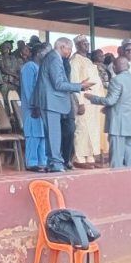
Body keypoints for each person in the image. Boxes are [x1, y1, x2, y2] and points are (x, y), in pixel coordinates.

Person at [36, 37, 94, 173]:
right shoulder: (54, 59)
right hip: (51, 102)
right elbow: (58, 84)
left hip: (52, 102)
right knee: (54, 135)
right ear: (62, 47)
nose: (70, 52)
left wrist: (79, 86)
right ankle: (56, 164)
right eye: (69, 49)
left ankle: (53, 163)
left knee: (52, 135)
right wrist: (79, 86)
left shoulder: (53, 58)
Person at [86, 56, 131, 168]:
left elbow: (110, 101)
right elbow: (127, 101)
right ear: (128, 66)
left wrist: (92, 98)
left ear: (115, 67)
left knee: (117, 159)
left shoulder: (116, 80)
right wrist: (108, 109)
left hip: (119, 125)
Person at [69, 35, 106, 168]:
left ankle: (90, 157)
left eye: (87, 43)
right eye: (83, 43)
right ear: (77, 45)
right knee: (82, 130)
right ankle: (79, 159)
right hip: (83, 101)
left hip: (93, 103)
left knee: (92, 130)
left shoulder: (89, 61)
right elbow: (74, 82)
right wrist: (80, 103)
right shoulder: (75, 60)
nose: (86, 45)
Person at [20, 42, 49, 171]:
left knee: (41, 135)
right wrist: (35, 106)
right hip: (32, 109)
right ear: (38, 53)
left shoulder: (41, 67)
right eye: (45, 53)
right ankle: (31, 163)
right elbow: (29, 90)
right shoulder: (29, 67)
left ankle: (42, 161)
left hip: (41, 107)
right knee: (33, 135)